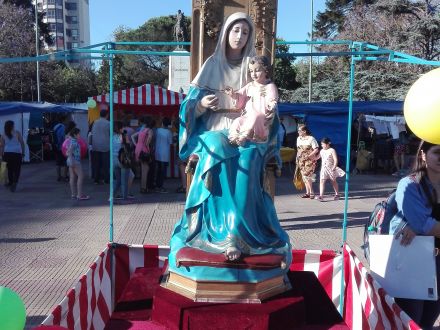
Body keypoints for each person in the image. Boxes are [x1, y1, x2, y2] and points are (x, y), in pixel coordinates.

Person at [169, 12, 291, 283]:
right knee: (214, 148)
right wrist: (201, 105)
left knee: (248, 158)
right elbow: (186, 108)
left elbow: (270, 104)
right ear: (226, 33)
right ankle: (214, 229)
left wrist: (266, 114)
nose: (240, 36)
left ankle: (237, 232)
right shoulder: (212, 64)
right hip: (215, 127)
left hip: (249, 129)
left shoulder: (254, 67)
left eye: (245, 32)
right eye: (235, 30)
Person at [389, 141, 440, 329]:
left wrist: (420, 226)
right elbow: (424, 225)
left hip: (438, 257)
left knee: (430, 316)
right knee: (411, 317)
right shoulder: (409, 184)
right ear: (424, 155)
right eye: (437, 152)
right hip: (414, 257)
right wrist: (419, 226)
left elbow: (422, 224)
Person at [224, 55, 278, 146]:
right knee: (237, 121)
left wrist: (272, 104)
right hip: (248, 115)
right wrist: (233, 95)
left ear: (266, 70)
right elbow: (240, 95)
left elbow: (272, 98)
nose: (254, 74)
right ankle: (234, 137)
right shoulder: (250, 86)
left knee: (256, 116)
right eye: (251, 71)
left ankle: (244, 136)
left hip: (261, 116)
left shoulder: (269, 86)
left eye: (257, 71)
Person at [315, 137, 345, 201]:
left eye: (323, 144)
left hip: (331, 168)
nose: (322, 145)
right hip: (323, 169)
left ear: (327, 144)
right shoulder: (322, 151)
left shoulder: (332, 150)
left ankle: (337, 194)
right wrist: (311, 156)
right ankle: (321, 196)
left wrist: (334, 167)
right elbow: (317, 158)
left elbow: (335, 159)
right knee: (322, 181)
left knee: (333, 181)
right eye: (321, 144)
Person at [0, 120, 25, 192]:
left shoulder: (3, 134)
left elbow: (1, 146)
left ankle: (10, 182)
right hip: (17, 153)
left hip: (7, 154)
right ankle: (15, 182)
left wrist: (1, 156)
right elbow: (22, 143)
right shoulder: (17, 133)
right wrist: (23, 153)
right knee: (17, 169)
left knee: (9, 169)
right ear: (12, 126)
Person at [296, 124, 319, 199]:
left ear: (304, 131)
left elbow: (316, 149)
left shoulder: (311, 138)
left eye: (300, 130)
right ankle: (307, 192)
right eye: (298, 130)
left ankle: (311, 192)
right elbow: (298, 149)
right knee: (304, 176)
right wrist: (297, 158)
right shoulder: (298, 138)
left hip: (310, 160)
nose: (298, 132)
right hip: (301, 160)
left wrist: (309, 156)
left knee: (307, 175)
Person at [132, 117, 154, 194]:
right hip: (144, 150)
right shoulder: (149, 131)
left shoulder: (142, 130)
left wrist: (136, 144)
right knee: (145, 169)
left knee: (143, 169)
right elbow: (147, 143)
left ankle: (143, 187)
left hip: (138, 149)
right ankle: (143, 188)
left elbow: (133, 136)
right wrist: (149, 151)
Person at [66, 128, 89, 200]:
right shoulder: (74, 142)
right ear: (75, 135)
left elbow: (67, 152)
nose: (80, 135)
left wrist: (70, 159)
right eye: (79, 134)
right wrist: (72, 160)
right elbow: (69, 151)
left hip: (70, 161)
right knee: (81, 176)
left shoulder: (70, 141)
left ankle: (73, 194)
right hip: (75, 161)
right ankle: (79, 195)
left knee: (72, 177)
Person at [154, 117, 173, 193]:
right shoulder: (169, 132)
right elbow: (170, 143)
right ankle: (160, 186)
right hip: (165, 153)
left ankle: (157, 185)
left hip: (157, 152)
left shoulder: (158, 130)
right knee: (162, 171)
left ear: (162, 123)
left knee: (158, 170)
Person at [91, 110, 110, 184]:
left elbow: (92, 132)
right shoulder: (108, 123)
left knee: (97, 164)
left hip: (95, 145)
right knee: (106, 164)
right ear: (107, 115)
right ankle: (106, 179)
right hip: (105, 146)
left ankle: (96, 179)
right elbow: (111, 134)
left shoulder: (95, 122)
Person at [52, 116, 68, 182]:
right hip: (62, 147)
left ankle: (58, 176)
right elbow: (63, 137)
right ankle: (64, 176)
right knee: (65, 162)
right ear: (63, 120)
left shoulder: (55, 127)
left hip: (56, 146)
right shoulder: (63, 127)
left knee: (58, 162)